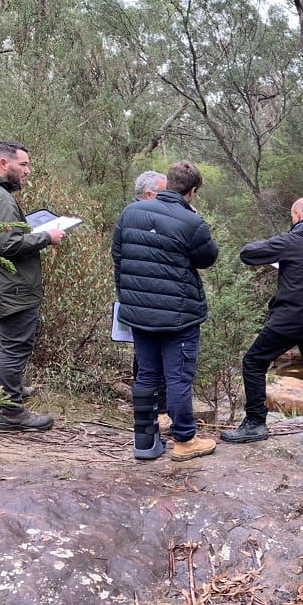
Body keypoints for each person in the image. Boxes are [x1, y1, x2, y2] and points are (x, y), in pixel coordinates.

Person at [112, 161, 219, 461]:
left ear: (168, 182)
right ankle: (184, 440)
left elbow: (118, 257)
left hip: (138, 312)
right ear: (193, 191)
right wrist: (194, 219)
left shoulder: (129, 212)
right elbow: (207, 257)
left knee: (146, 374)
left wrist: (129, 299)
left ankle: (145, 442)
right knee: (178, 377)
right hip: (179, 316)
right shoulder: (191, 222)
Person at [221, 197, 303, 450]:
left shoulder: (291, 241)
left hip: (289, 319)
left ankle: (255, 422)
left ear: (296, 215)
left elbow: (247, 253)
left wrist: (278, 247)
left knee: (253, 361)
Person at [0, 141, 65, 431]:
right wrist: (47, 237)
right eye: (23, 165)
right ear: (3, 164)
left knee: (15, 343)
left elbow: (0, 235)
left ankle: (13, 390)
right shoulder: (0, 199)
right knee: (15, 346)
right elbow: (7, 244)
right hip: (12, 284)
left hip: (0, 279)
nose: (27, 171)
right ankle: (11, 413)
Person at [129, 171, 168, 419]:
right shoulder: (138, 219)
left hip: (146, 298)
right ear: (148, 195)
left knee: (146, 357)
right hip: (148, 299)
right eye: (164, 195)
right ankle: (156, 411)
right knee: (150, 359)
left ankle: (152, 412)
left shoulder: (137, 215)